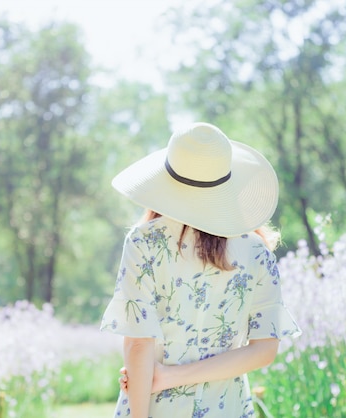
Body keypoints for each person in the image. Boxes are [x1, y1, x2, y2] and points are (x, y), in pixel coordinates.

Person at [100, 122, 301, 418]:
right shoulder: (257, 251)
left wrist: (162, 380)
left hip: (155, 407)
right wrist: (170, 377)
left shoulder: (144, 241)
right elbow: (264, 351)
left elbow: (139, 344)